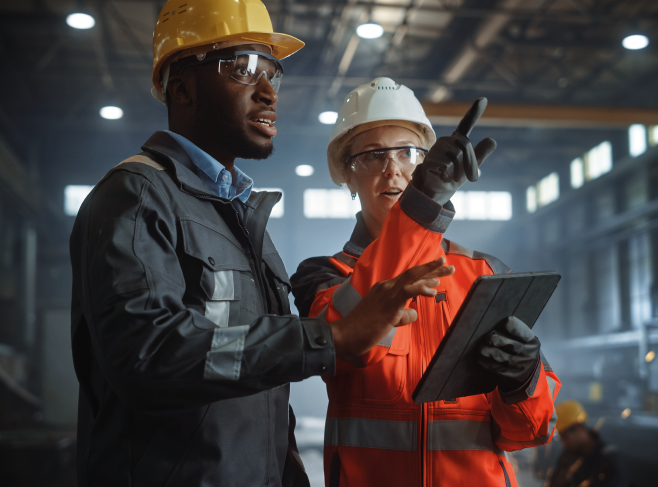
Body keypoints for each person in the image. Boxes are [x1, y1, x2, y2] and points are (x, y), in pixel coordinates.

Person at [68, 2, 452, 486]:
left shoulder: (242, 220)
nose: (269, 91)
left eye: (272, 71)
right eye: (243, 69)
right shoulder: (139, 196)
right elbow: (149, 355)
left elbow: (259, 386)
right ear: (181, 87)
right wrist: (330, 339)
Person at [291, 77, 561, 487]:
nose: (392, 167)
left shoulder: (485, 273)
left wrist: (523, 379)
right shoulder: (323, 276)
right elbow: (348, 349)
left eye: (408, 153)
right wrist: (422, 205)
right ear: (347, 176)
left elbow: (528, 433)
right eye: (372, 155)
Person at [547, 400, 618, 487]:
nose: (563, 443)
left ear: (579, 427)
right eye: (560, 438)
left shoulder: (608, 461)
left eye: (565, 437)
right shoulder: (568, 455)